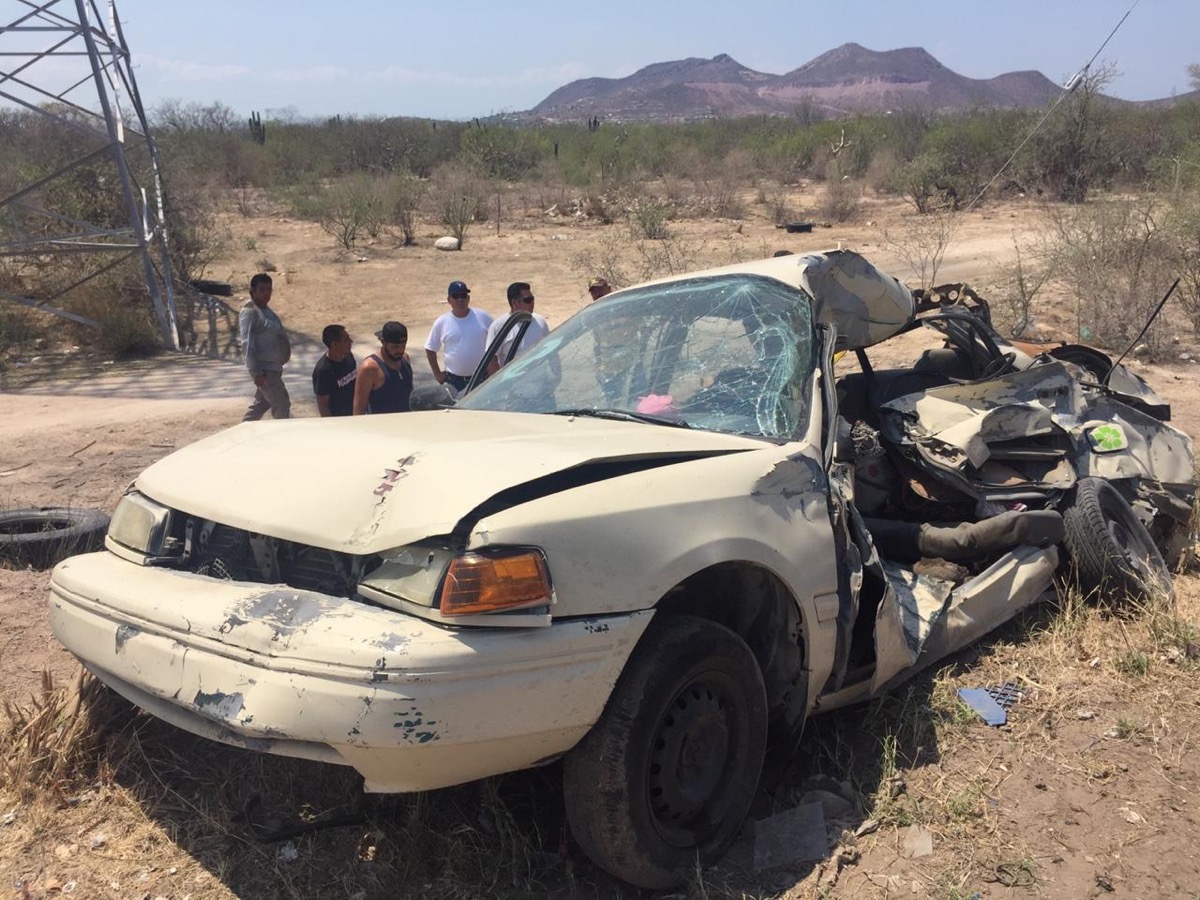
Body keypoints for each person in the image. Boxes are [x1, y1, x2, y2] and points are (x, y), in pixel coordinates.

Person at [424, 280, 493, 393]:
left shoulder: (483, 317)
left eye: (463, 295)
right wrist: (437, 374)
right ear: (449, 300)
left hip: (481, 379)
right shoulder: (442, 322)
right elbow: (430, 348)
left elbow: (497, 341)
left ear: (468, 298)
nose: (460, 300)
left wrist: (493, 369)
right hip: (454, 382)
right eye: (456, 296)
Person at [238, 273, 291, 421]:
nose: (266, 293)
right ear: (252, 292)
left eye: (269, 289)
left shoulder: (267, 312)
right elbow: (247, 343)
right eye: (262, 289)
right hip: (265, 371)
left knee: (261, 405)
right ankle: (282, 438)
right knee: (282, 405)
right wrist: (256, 372)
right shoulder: (250, 312)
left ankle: (244, 432)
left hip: (274, 368)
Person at [486, 282, 550, 374]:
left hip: (540, 380)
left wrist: (556, 373)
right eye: (528, 300)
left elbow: (549, 347)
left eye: (532, 299)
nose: (532, 303)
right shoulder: (499, 326)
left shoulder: (540, 321)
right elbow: (491, 359)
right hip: (513, 384)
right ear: (515, 303)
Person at [354, 320, 413, 415]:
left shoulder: (405, 360)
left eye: (403, 346)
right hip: (381, 427)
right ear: (383, 342)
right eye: (395, 347)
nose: (400, 350)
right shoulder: (370, 368)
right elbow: (359, 410)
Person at [311, 324, 356, 417]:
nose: (351, 341)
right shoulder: (323, 371)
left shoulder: (348, 356)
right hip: (339, 421)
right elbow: (323, 406)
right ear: (334, 344)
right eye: (346, 340)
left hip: (355, 416)